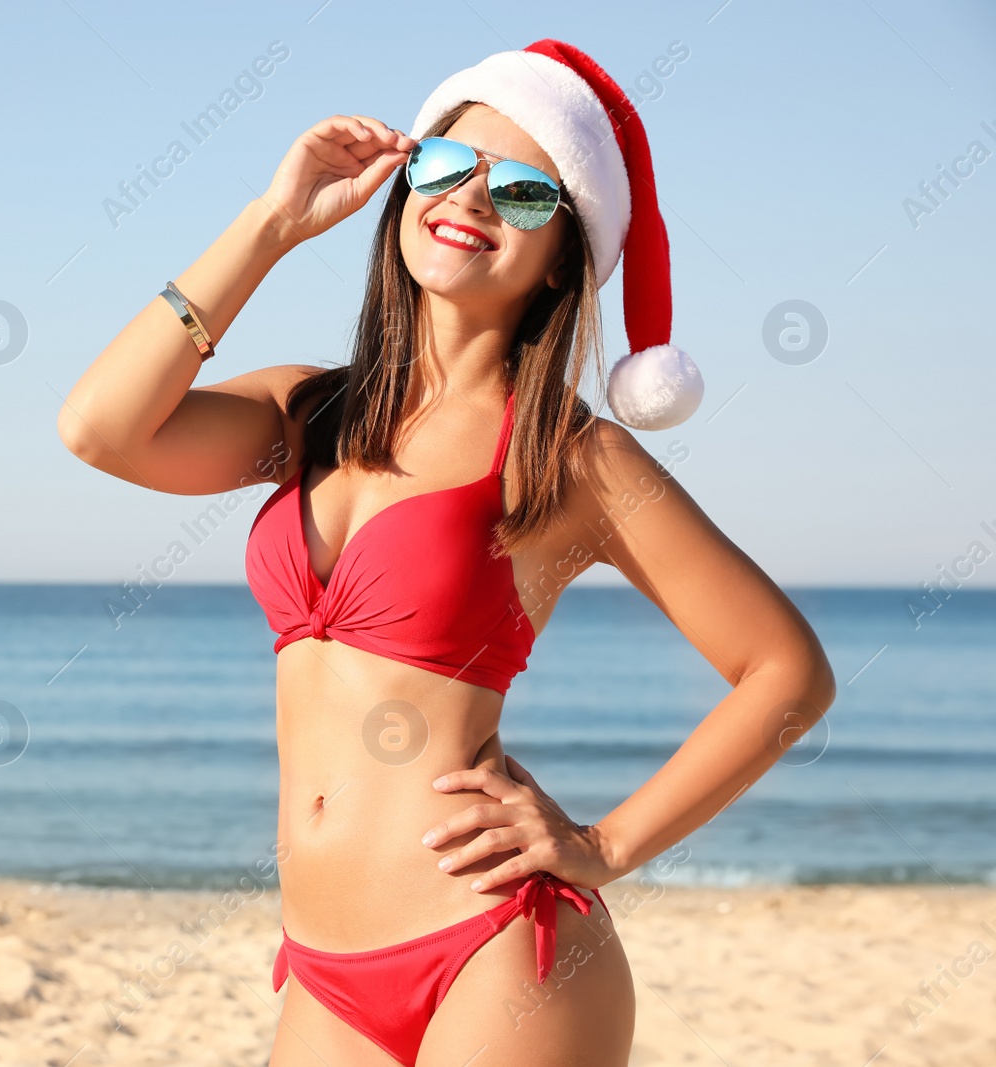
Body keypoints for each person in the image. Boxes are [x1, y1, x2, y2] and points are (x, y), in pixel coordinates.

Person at [57, 39, 835, 1067]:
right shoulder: (307, 412)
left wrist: (604, 845)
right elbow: (101, 429)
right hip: (325, 967)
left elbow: (786, 671)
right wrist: (270, 225)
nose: (469, 199)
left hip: (494, 947)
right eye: (444, 163)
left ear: (564, 249)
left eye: (521, 191)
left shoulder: (572, 456)